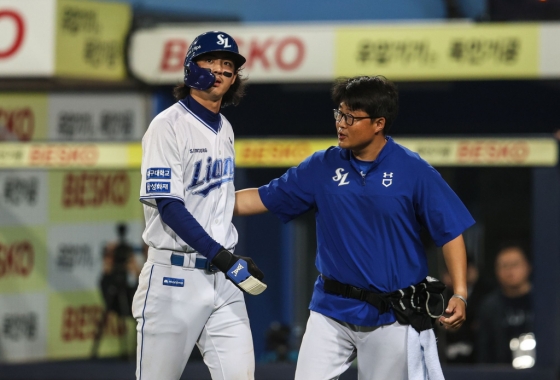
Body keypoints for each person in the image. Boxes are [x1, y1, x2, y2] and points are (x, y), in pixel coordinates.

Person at [234, 75, 475, 380]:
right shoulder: (321, 166)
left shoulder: (413, 169)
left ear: (379, 123)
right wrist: (209, 202)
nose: (341, 123)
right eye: (339, 113)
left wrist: (461, 293)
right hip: (331, 310)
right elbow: (261, 198)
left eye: (351, 116)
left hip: (392, 314)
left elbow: (451, 231)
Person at [132, 31, 267, 380]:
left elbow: (217, 202)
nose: (220, 71)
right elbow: (170, 207)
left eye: (228, 65)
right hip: (172, 279)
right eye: (212, 61)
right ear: (192, 67)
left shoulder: (225, 128)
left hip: (222, 282)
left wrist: (228, 252)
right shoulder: (166, 126)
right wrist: (221, 254)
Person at [476, 244, 534, 364]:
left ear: (528, 266)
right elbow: (484, 351)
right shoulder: (489, 306)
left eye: (515, 264)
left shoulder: (544, 302)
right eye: (504, 266)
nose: (509, 271)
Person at [438, 257, 491, 364]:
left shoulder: (485, 294)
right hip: (447, 359)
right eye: (450, 271)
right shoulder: (440, 295)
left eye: (466, 269)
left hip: (476, 359)